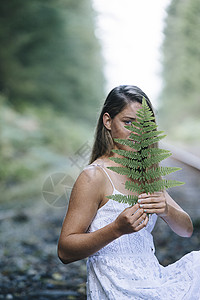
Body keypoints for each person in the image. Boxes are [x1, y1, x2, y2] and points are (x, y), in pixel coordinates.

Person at [58, 85, 200, 299]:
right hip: (118, 289)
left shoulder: (148, 175)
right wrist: (116, 228)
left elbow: (186, 230)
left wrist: (166, 210)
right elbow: (65, 251)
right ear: (108, 121)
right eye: (128, 123)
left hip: (153, 280)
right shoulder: (94, 177)